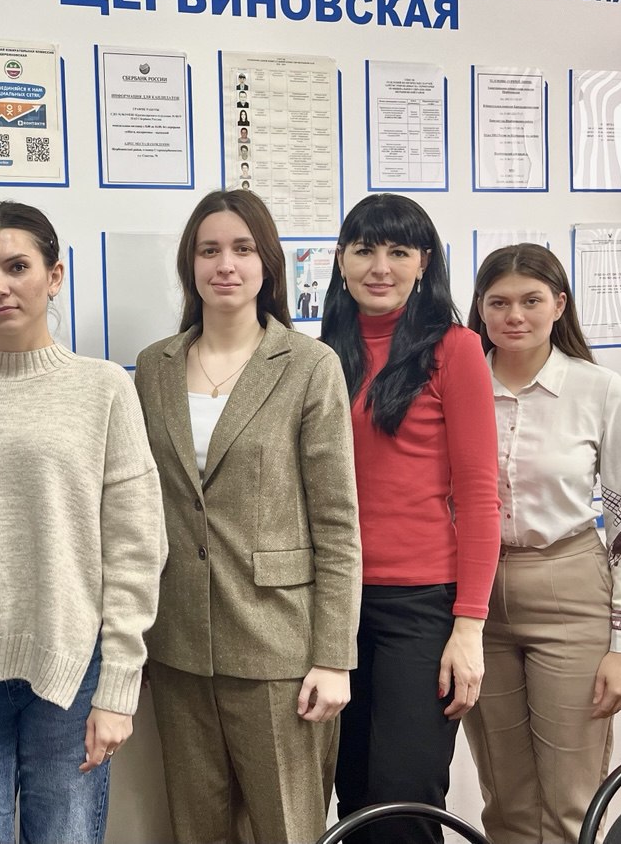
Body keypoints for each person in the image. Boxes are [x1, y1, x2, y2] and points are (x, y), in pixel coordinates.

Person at [0, 202, 166, 844]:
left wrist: (118, 687)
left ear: (54, 275)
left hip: (70, 667)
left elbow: (136, 544)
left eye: (17, 267)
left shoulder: (104, 387)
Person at [136, 189, 362, 844]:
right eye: (209, 250)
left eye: (242, 249)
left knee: (288, 829)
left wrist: (334, 657)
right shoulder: (154, 366)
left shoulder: (309, 365)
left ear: (268, 264)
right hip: (178, 644)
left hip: (278, 645)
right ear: (191, 263)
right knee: (197, 830)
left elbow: (337, 523)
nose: (225, 265)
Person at [319, 193, 500, 844]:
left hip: (421, 607)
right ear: (340, 260)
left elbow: (479, 496)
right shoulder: (320, 355)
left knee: (406, 799)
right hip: (334, 602)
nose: (380, 267)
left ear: (424, 263)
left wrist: (469, 628)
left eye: (399, 251)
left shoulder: (455, 349)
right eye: (364, 250)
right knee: (352, 793)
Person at [463, 244, 621, 844]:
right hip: (475, 599)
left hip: (569, 586)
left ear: (559, 305)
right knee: (505, 797)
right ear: (481, 308)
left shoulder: (599, 389)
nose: (514, 315)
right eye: (499, 302)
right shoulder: (456, 385)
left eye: (531, 300)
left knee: (571, 798)